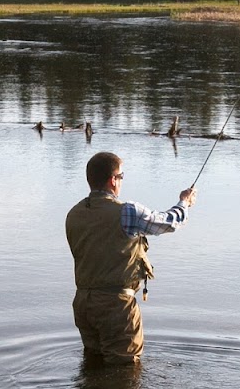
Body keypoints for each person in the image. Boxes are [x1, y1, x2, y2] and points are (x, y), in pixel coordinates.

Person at [65, 151, 194, 364]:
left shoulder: (74, 214)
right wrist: (184, 203)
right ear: (112, 180)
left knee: (93, 365)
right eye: (121, 177)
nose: (121, 182)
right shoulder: (127, 212)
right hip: (116, 306)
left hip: (83, 304)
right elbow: (167, 222)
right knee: (124, 372)